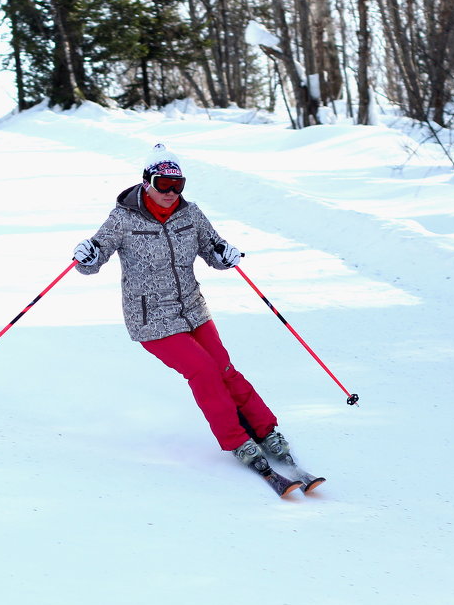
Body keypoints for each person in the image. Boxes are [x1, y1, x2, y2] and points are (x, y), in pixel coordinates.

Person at [72, 144, 301, 493]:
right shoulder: (122, 219)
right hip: (151, 318)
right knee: (204, 371)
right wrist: (85, 255)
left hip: (193, 309)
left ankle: (266, 431)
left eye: (178, 185)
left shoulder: (190, 214)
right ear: (147, 182)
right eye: (163, 184)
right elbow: (93, 258)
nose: (171, 193)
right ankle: (237, 440)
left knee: (225, 369)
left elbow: (214, 250)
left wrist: (227, 255)